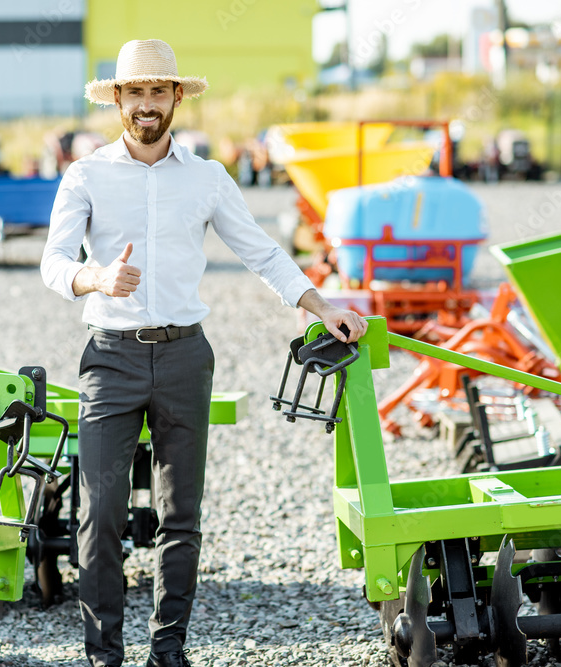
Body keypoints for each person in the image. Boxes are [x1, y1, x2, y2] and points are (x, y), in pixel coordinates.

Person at [40, 39, 368, 667]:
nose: (145, 105)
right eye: (133, 93)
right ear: (116, 99)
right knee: (100, 515)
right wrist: (97, 278)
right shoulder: (85, 175)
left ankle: (169, 651)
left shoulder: (207, 178)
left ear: (176, 98)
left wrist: (321, 307)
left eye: (157, 92)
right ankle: (102, 656)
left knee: (179, 518)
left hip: (187, 358)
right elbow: (54, 264)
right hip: (110, 358)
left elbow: (262, 251)